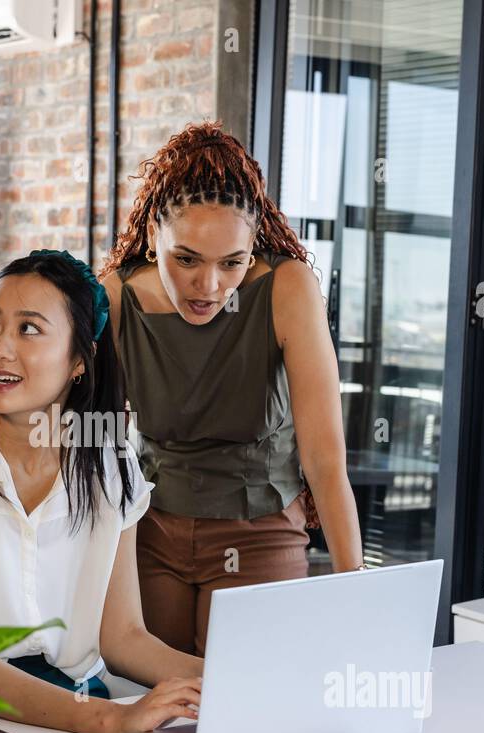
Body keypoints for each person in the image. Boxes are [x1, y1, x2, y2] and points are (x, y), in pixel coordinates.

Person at [0, 250, 203, 733]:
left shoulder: (111, 466)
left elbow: (124, 637)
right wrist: (112, 718)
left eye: (28, 329)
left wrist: (227, 680)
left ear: (78, 361)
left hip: (72, 710)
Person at [97, 121, 366, 657]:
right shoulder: (115, 297)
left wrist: (357, 595)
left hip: (260, 529)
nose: (210, 286)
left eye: (232, 264)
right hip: (151, 526)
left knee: (252, 706)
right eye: (187, 259)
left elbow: (324, 460)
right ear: (154, 236)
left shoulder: (287, 289)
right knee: (156, 711)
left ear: (252, 250)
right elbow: (89, 440)